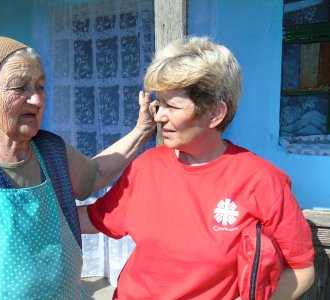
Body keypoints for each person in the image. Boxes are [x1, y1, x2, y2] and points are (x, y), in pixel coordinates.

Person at [0, 36, 155, 300]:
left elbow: (96, 175)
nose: (37, 99)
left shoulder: (52, 151)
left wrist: (143, 131)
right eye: (20, 87)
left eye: (40, 86)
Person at [79, 36, 315, 299]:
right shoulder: (146, 167)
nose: (158, 116)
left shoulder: (263, 181)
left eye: (173, 106)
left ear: (215, 113)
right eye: (160, 103)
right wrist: (30, 209)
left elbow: (302, 269)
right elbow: (94, 217)